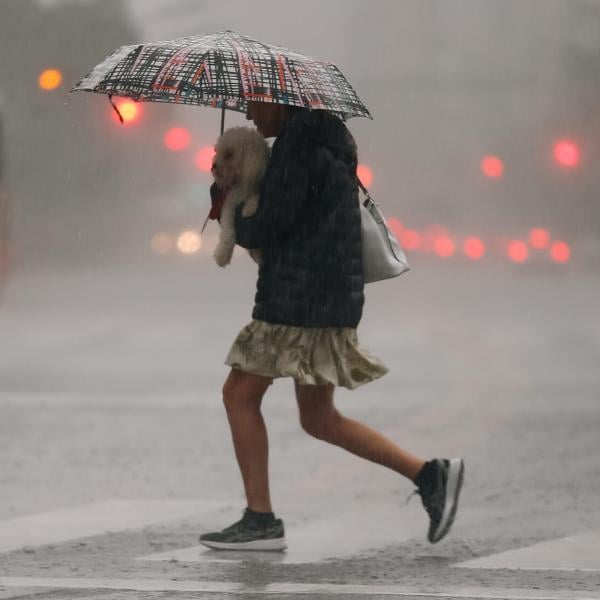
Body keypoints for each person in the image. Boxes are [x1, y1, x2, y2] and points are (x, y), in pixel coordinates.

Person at [199, 100, 465, 551]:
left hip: (299, 299)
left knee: (238, 394)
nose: (249, 111)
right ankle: (430, 474)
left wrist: (225, 200)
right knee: (319, 418)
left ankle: (260, 520)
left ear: (279, 99)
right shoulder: (321, 140)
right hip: (323, 297)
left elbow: (267, 224)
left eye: (256, 100)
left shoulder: (299, 147)